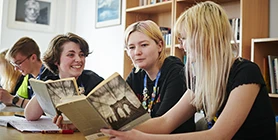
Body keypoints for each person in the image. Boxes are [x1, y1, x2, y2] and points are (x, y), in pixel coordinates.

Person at [100, 1, 276, 139]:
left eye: (184, 38)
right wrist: (112, 129)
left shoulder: (246, 72)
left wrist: (141, 137)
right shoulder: (201, 77)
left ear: (204, 37)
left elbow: (218, 136)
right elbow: (165, 122)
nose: (181, 45)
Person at [124, 20, 195, 133]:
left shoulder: (176, 72)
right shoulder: (136, 74)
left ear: (160, 46)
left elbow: (163, 126)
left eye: (144, 45)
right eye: (131, 47)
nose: (137, 52)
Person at [24, 33, 104, 130]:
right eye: (71, 55)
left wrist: (79, 125)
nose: (79, 59)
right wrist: (45, 90)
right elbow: (30, 116)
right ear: (56, 61)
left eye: (81, 55)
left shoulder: (93, 81)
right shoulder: (49, 80)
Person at [5, 37, 57, 108]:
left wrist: (12, 99)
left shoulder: (49, 76)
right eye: (14, 64)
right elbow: (19, 98)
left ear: (33, 58)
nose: (15, 68)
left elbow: (41, 108)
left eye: (18, 63)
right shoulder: (28, 76)